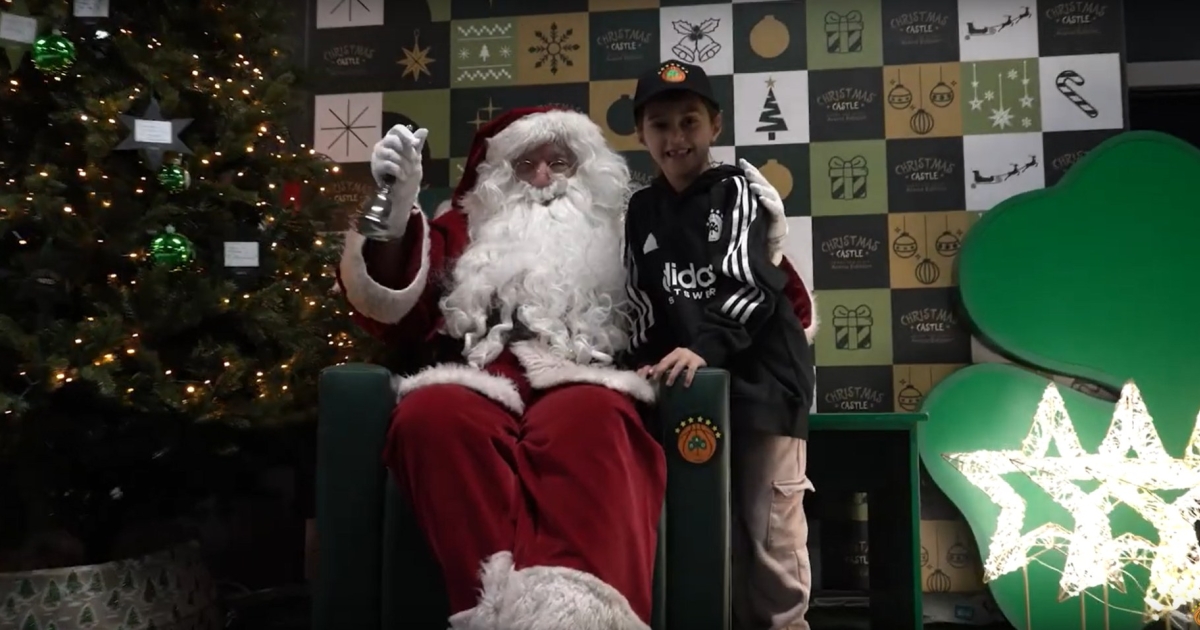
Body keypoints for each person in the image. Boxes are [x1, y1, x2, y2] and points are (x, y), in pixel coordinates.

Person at [335, 105, 791, 629]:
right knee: (430, 417)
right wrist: (395, 216)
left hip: (588, 377)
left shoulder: (628, 226)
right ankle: (494, 614)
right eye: (524, 164)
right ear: (496, 175)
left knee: (596, 425)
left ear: (586, 170)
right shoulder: (461, 229)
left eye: (558, 163)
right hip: (477, 378)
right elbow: (393, 307)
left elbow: (725, 287)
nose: (542, 177)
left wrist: (766, 243)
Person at [623, 60, 818, 630]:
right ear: (640, 134)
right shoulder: (641, 209)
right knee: (702, 528)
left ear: (715, 125)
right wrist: (643, 363)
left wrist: (704, 348)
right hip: (692, 389)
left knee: (768, 532)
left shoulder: (736, 191)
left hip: (762, 385)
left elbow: (748, 283)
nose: (675, 138)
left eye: (689, 121)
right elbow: (640, 298)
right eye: (660, 125)